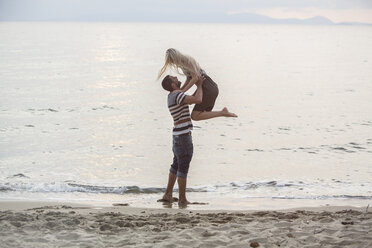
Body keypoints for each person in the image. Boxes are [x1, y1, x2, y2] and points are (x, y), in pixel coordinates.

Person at [160, 74, 205, 208]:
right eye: (174, 78)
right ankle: (182, 199)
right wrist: (200, 85)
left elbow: (184, 91)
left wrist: (189, 79)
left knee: (176, 165)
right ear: (173, 85)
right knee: (183, 168)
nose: (176, 77)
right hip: (183, 137)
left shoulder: (173, 96)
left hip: (177, 136)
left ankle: (168, 194)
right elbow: (198, 99)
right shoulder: (178, 96)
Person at [158, 48, 237, 120]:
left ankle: (222, 113)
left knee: (195, 116)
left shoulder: (186, 61)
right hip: (206, 86)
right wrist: (181, 91)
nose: (174, 63)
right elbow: (188, 79)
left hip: (207, 86)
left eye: (172, 61)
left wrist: (180, 92)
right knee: (193, 104)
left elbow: (195, 78)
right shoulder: (182, 64)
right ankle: (222, 113)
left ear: (175, 57)